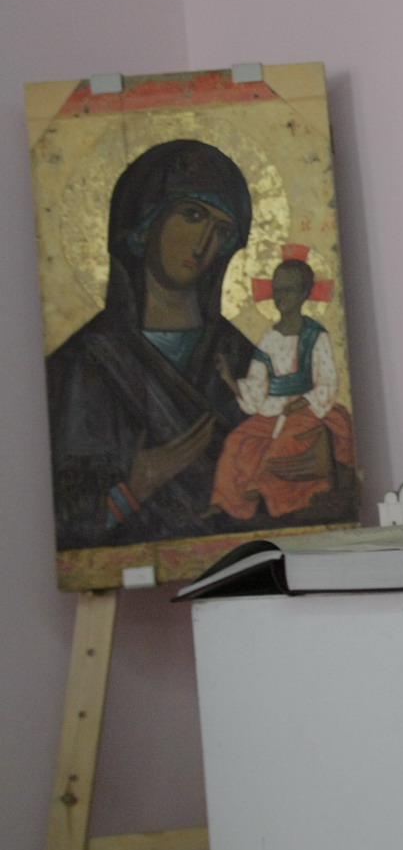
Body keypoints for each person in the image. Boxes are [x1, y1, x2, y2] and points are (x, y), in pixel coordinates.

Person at [45, 139, 259, 551]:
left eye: (222, 230)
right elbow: (68, 520)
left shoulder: (245, 358)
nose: (204, 244)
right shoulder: (80, 363)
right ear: (146, 224)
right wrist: (135, 488)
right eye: (192, 215)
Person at [208, 256, 355, 520]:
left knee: (288, 440)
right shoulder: (269, 337)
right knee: (237, 441)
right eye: (277, 290)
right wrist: (229, 379)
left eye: (288, 290)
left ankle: (264, 487)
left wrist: (302, 402)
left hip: (307, 409)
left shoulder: (315, 335)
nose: (280, 297)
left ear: (304, 293)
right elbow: (257, 385)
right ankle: (226, 502)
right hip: (273, 409)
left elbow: (328, 380)